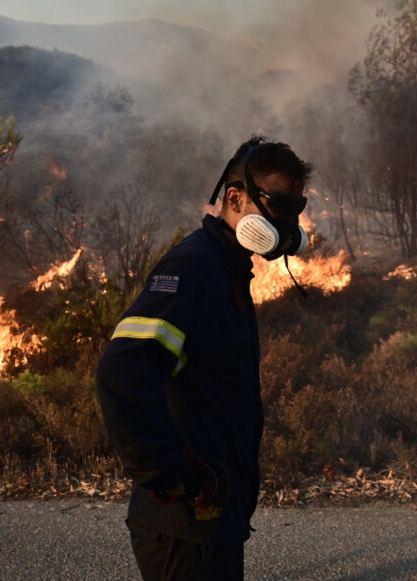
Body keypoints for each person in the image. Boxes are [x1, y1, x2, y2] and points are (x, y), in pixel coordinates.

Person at [96, 136, 312, 580]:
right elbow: (121, 371)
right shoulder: (195, 268)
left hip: (213, 520)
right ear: (234, 197)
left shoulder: (227, 268)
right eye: (277, 204)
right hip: (183, 526)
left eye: (294, 208)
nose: (286, 222)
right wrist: (178, 478)